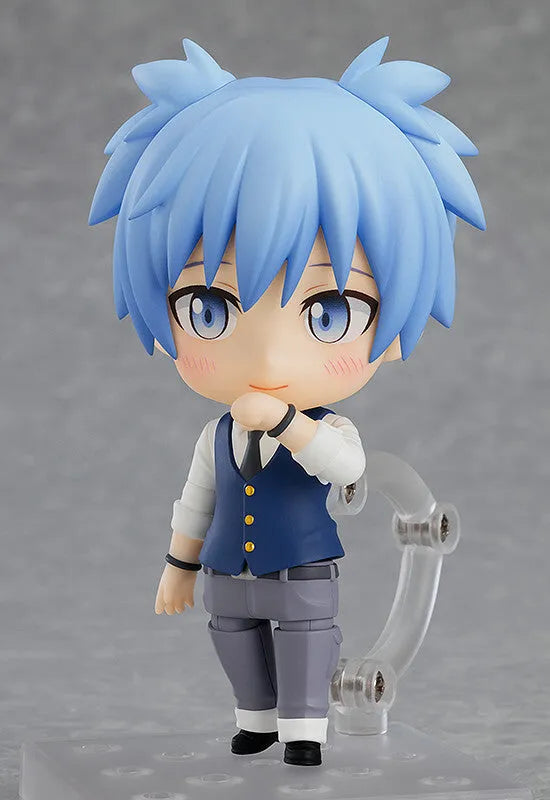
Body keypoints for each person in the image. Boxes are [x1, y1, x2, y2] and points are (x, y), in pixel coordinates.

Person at [89, 36, 484, 766]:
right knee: (233, 641)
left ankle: (305, 731)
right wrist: (178, 565)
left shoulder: (326, 424)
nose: (269, 360)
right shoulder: (214, 437)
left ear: (394, 326)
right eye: (209, 307)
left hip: (302, 575)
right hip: (227, 576)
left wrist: (290, 424)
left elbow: (344, 467)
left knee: (307, 645)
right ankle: (256, 718)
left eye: (329, 312)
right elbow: (196, 500)